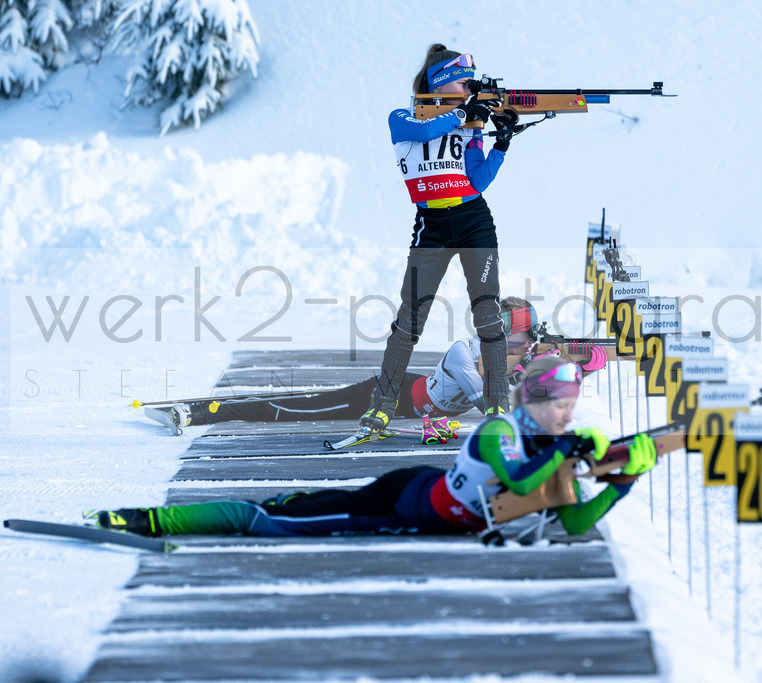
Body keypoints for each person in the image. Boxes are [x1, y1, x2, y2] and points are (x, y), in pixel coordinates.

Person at [96, 357, 656, 538]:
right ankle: (151, 521)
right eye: (560, 404)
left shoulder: (548, 446)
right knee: (267, 521)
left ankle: (287, 502)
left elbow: (574, 521)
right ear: (532, 401)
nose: (568, 415)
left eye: (572, 406)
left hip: (417, 492)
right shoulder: (501, 433)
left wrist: (623, 482)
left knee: (295, 507)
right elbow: (519, 483)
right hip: (401, 506)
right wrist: (569, 452)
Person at [146, 299, 608, 442]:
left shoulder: (503, 360)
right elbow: (492, 404)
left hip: (411, 404)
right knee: (295, 409)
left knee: (300, 406)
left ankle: (204, 409)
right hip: (389, 394)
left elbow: (546, 387)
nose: (525, 348)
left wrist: (584, 363)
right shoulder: (461, 353)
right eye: (521, 341)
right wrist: (537, 370)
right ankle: (200, 412)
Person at [359, 44, 521, 435]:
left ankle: (497, 406)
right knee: (409, 320)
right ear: (444, 80)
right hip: (431, 227)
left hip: (473, 221)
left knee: (488, 315)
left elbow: (476, 180)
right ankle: (381, 407)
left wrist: (501, 143)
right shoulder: (403, 117)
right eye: (465, 83)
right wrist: (464, 113)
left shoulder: (470, 123)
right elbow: (424, 130)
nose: (469, 90)